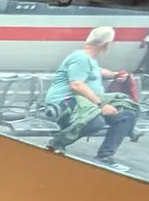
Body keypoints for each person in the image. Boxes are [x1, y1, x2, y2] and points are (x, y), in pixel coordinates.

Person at [46, 24, 138, 165]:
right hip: (66, 103)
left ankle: (104, 157)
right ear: (107, 45)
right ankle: (59, 141)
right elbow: (76, 85)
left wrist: (115, 75)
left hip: (87, 104)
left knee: (127, 115)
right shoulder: (80, 58)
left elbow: (98, 71)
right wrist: (101, 105)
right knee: (95, 121)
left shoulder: (89, 59)